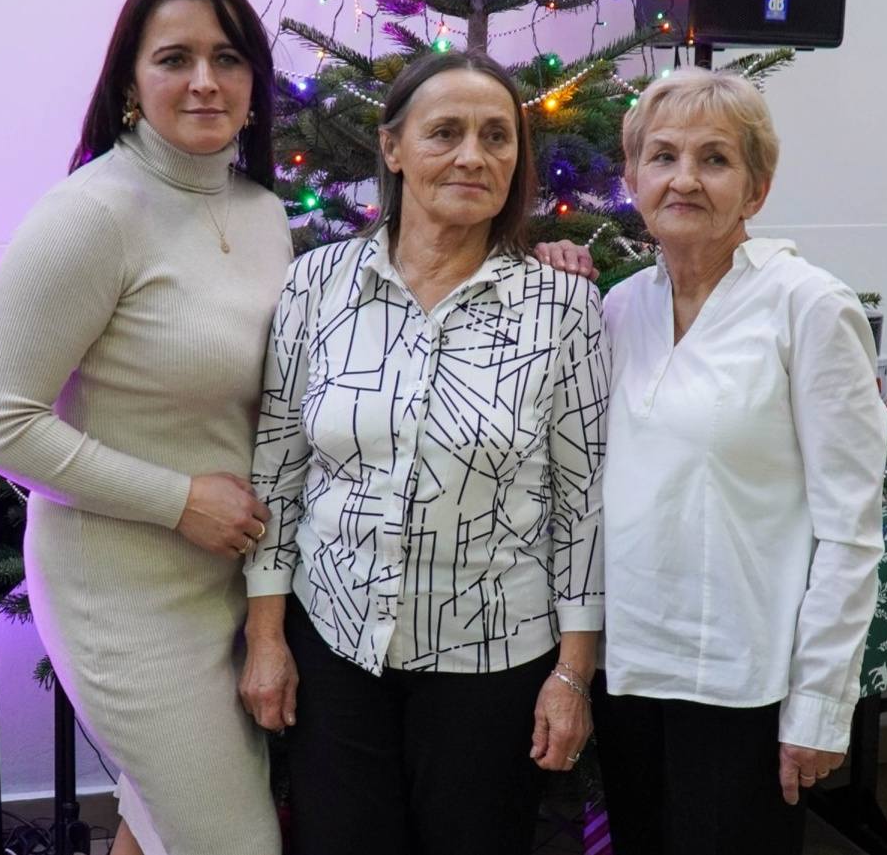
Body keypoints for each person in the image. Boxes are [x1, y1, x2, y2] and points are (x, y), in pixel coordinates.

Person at [236, 50, 610, 855]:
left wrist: (573, 674)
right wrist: (265, 637)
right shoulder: (316, 284)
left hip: (493, 658)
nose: (473, 155)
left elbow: (583, 507)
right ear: (393, 148)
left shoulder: (563, 308)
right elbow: (277, 470)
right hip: (334, 643)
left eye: (496, 137)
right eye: (445, 132)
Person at [0, 0, 293, 855]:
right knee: (234, 841)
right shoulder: (89, 214)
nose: (205, 81)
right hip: (121, 592)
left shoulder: (264, 212)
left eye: (228, 58)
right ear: (127, 84)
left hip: (228, 584)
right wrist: (178, 499)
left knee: (157, 825)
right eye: (175, 58)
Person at [536, 68, 887, 855]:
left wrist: (819, 704)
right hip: (628, 671)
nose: (684, 178)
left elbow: (848, 530)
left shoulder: (808, 307)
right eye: (662, 156)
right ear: (632, 180)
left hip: (743, 684)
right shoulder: (618, 307)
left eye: (715, 159)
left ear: (755, 189)